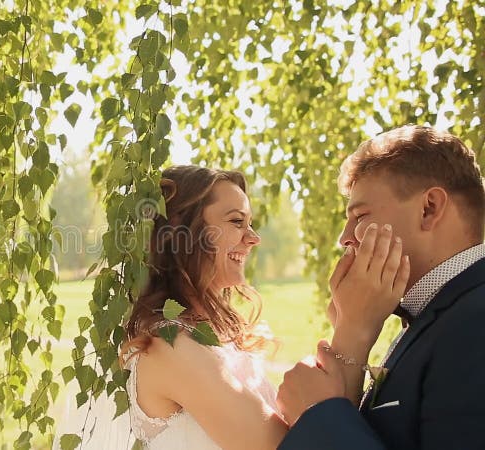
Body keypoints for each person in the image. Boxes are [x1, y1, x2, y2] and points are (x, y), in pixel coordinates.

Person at [119, 165, 403, 449]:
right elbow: (292, 445)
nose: (253, 238)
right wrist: (352, 327)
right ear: (182, 231)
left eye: (249, 223)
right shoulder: (168, 348)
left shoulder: (212, 336)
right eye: (236, 222)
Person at [276, 125, 485, 449]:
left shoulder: (476, 322)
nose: (345, 237)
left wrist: (317, 416)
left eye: (359, 215)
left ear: (429, 208)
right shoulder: (437, 313)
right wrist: (352, 328)